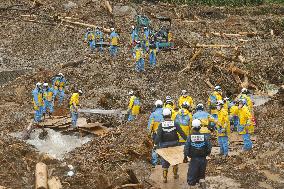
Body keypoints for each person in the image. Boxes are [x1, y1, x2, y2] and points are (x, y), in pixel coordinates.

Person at [155, 108, 187, 183]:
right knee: (174, 160)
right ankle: (175, 175)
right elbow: (182, 133)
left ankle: (165, 178)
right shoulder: (175, 123)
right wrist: (188, 140)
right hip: (175, 144)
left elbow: (158, 137)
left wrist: (155, 144)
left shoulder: (161, 125)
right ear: (170, 115)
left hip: (164, 145)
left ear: (163, 116)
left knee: (165, 161)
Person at [184, 119, 212, 189]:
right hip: (203, 159)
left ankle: (192, 186)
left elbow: (186, 148)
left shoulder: (189, 137)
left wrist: (185, 156)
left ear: (192, 128)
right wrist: (206, 154)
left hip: (194, 159)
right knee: (201, 175)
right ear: (200, 127)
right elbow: (209, 147)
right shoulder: (205, 137)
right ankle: (202, 184)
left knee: (191, 176)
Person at [148, 100, 164, 167]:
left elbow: (150, 125)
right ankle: (163, 162)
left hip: (156, 134)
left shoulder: (153, 114)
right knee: (164, 147)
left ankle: (154, 163)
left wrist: (149, 134)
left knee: (155, 148)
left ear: (156, 105)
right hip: (165, 134)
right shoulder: (166, 113)